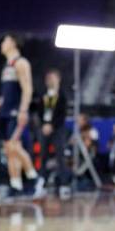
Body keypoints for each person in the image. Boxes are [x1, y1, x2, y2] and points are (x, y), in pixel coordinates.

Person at [0, 34, 44, 198]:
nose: (2, 43)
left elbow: (27, 89)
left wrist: (23, 111)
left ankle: (35, 178)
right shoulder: (6, 66)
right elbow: (4, 96)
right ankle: (16, 185)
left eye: (5, 41)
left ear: (13, 43)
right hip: (5, 113)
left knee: (14, 146)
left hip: (16, 112)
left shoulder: (21, 63)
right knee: (9, 150)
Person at [36, 68, 70, 197]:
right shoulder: (43, 94)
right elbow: (39, 112)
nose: (50, 80)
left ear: (58, 79)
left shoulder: (62, 95)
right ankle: (41, 181)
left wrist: (52, 125)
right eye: (48, 78)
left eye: (52, 78)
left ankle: (63, 183)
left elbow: (62, 115)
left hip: (58, 129)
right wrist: (44, 125)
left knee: (60, 156)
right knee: (42, 155)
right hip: (44, 128)